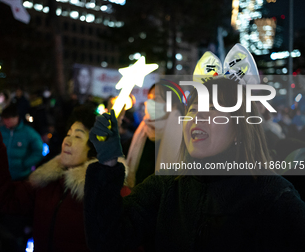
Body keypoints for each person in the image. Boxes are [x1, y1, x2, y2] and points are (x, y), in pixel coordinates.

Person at [85, 78, 305, 251]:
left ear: (240, 127)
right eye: (192, 108)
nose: (197, 115)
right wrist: (107, 164)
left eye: (212, 107)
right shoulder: (165, 186)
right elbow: (107, 239)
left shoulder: (273, 196)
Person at [0, 105, 130, 252]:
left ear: (95, 148)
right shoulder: (48, 182)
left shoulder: (111, 193)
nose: (67, 141)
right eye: (68, 134)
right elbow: (5, 198)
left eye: (77, 136)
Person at [126, 82, 184, 188]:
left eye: (156, 99)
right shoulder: (143, 130)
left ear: (173, 105)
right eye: (149, 98)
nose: (150, 103)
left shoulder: (183, 139)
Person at [0, 104, 43, 180]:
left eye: (10, 118)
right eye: (5, 119)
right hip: (3, 175)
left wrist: (25, 163)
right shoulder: (0, 131)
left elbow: (38, 150)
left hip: (22, 175)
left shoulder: (29, 132)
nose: (7, 121)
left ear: (17, 117)